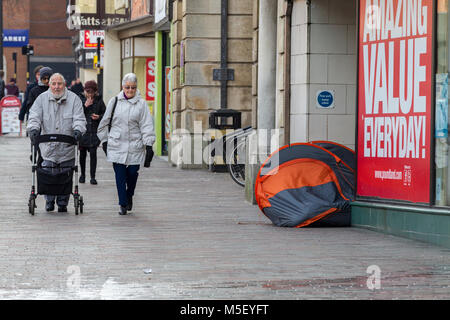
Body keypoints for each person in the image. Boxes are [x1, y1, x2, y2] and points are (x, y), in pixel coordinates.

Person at [27, 73, 86, 213]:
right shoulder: (41, 100)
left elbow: (79, 119)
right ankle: (49, 201)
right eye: (53, 84)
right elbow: (34, 116)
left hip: (67, 147)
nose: (56, 87)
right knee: (48, 173)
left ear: (64, 85)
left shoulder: (74, 99)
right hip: (48, 148)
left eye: (59, 84)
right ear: (49, 85)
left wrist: (78, 130)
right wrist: (33, 129)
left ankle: (62, 202)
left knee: (65, 175)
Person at [97, 73, 155, 215]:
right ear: (123, 87)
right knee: (120, 175)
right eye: (127, 87)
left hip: (135, 144)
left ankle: (129, 195)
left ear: (136, 88)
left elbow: (146, 125)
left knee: (132, 173)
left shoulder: (141, 104)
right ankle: (123, 203)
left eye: (133, 88)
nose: (130, 90)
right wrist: (104, 141)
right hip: (116, 143)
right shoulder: (114, 101)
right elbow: (104, 122)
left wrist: (149, 145)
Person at [78, 80, 106, 185]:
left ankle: (93, 177)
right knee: (82, 155)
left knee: (93, 155)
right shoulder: (80, 100)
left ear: (95, 92)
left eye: (92, 92)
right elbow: (76, 115)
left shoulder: (99, 101)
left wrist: (99, 117)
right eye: (87, 92)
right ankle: (82, 175)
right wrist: (85, 106)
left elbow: (106, 115)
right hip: (83, 133)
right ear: (84, 91)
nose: (89, 94)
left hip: (94, 133)